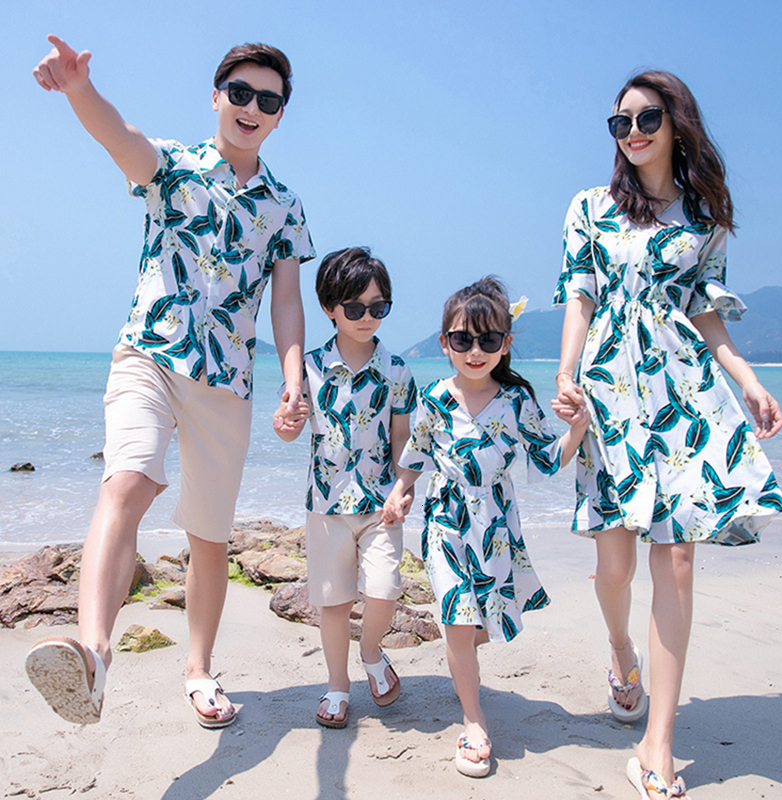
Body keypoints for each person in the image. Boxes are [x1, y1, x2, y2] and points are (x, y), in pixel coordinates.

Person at [26, 35, 314, 728]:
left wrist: (294, 378)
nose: (251, 107)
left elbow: (285, 300)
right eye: (239, 93)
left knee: (210, 537)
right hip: (148, 355)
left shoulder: (284, 204)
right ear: (216, 97)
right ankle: (93, 653)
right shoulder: (175, 167)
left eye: (266, 100)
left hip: (227, 381)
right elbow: (118, 138)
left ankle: (199, 670)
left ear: (280, 115)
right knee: (127, 481)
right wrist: (77, 89)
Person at [552, 70, 782, 799]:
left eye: (646, 117)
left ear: (676, 121)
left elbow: (706, 311)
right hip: (611, 391)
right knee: (614, 567)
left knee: (677, 555)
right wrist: (566, 377)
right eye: (619, 122)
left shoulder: (705, 219)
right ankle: (622, 652)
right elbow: (579, 294)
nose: (632, 132)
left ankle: (659, 742)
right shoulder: (591, 208)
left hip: (681, 392)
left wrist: (748, 380)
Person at [382, 277, 589, 777]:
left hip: (497, 527)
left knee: (481, 626)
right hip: (446, 525)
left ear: (505, 344)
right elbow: (416, 456)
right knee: (457, 620)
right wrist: (400, 490)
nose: (475, 351)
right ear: (445, 343)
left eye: (488, 340)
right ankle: (474, 722)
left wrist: (579, 427)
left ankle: (464, 647)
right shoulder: (433, 398)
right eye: (462, 340)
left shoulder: (517, 400)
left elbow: (547, 461)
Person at [273, 247, 416, 728]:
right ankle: (337, 686)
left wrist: (403, 488)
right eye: (355, 308)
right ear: (330, 307)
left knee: (385, 589)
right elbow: (291, 426)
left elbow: (402, 441)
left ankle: (372, 653)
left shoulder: (397, 371)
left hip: (380, 506)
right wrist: (284, 423)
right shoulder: (308, 368)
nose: (367, 317)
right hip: (326, 504)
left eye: (379, 307)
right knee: (331, 604)